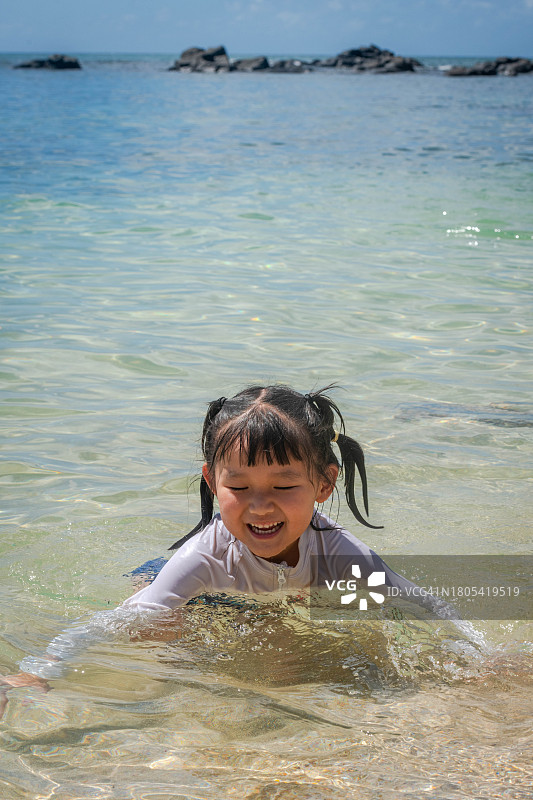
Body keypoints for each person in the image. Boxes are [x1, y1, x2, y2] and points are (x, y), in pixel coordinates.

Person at [0, 384, 457, 710]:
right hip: (194, 587)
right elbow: (116, 621)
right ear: (212, 482)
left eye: (283, 484)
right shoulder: (205, 555)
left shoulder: (340, 552)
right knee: (156, 628)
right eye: (238, 485)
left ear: (323, 483)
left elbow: (420, 603)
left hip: (265, 595)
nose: (261, 506)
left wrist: (480, 657)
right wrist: (40, 669)